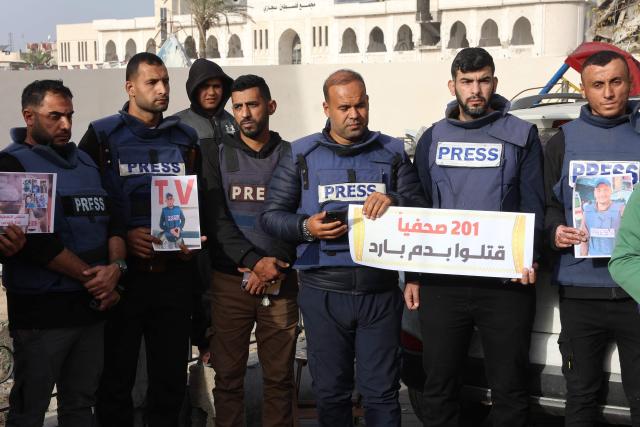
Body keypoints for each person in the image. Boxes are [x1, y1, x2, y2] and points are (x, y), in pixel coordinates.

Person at [261, 69, 427, 426]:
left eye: (361, 105)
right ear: (327, 108)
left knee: (382, 393)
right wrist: (306, 228)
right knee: (330, 393)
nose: (355, 114)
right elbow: (272, 216)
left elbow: (421, 211)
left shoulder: (392, 152)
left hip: (379, 291)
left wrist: (394, 199)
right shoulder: (301, 154)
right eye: (345, 107)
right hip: (324, 291)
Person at [405, 47, 544, 427]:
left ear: (494, 83)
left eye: (483, 80)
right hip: (442, 284)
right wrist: (413, 274)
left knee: (510, 390)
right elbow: (418, 209)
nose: (475, 90)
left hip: (505, 284)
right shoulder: (432, 138)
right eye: (467, 82)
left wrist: (529, 257)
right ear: (453, 86)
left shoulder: (522, 135)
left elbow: (534, 204)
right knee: (439, 387)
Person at [78, 52, 201, 427]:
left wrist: (190, 240)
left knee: (169, 382)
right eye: (152, 82)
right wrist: (123, 237)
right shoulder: (101, 136)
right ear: (130, 87)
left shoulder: (185, 137)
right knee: (116, 381)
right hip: (124, 280)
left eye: (166, 81)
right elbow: (86, 204)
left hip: (173, 276)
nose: (163, 89)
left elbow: (198, 200)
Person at [0, 79, 125, 427]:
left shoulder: (85, 161)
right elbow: (37, 242)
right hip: (43, 316)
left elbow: (115, 220)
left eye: (69, 115)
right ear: (29, 116)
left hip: (91, 311)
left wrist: (116, 268)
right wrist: (97, 280)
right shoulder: (14, 164)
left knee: (81, 406)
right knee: (30, 410)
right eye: (55, 116)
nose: (66, 125)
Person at [545, 49, 640, 426]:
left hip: (635, 292)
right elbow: (545, 206)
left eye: (616, 82)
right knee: (580, 398)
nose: (609, 93)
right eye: (598, 85)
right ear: (583, 89)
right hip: (581, 290)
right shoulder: (562, 141)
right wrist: (555, 232)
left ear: (629, 83)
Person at [200, 74, 298, 427]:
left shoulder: (291, 155)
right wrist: (255, 263)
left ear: (270, 107)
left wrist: (275, 267)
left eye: (252, 105)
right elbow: (217, 220)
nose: (245, 113)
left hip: (281, 282)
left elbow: (298, 217)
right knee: (228, 380)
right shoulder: (216, 153)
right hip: (231, 283)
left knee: (279, 379)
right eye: (238, 106)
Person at [579, 178, 624, 256]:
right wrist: (583, 257)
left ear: (611, 191)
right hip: (594, 258)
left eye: (606, 190)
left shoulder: (621, 209)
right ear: (594, 193)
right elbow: (584, 238)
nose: (602, 194)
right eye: (599, 190)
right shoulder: (587, 210)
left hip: (616, 257)